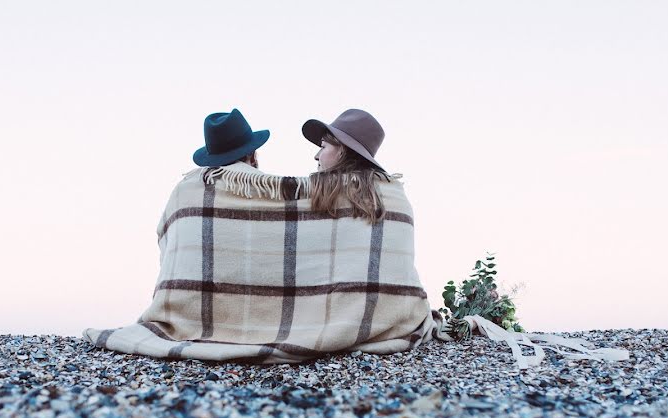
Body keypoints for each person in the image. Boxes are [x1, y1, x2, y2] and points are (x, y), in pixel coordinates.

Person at [83, 108, 447, 363]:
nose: (317, 153)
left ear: (345, 150)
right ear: (252, 154)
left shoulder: (193, 189)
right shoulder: (386, 194)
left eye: (324, 144)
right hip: (376, 322)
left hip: (202, 322)